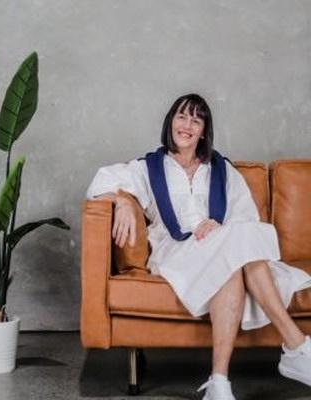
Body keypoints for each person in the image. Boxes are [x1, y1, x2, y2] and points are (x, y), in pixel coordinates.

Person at [86, 93, 311, 400]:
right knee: (235, 250)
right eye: (182, 117)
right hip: (174, 251)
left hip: (219, 247)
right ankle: (296, 345)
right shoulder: (149, 167)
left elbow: (246, 218)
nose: (187, 125)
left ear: (203, 131)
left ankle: (218, 383)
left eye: (196, 120)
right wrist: (123, 199)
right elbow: (100, 183)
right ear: (171, 122)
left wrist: (219, 227)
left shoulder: (223, 170)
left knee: (232, 262)